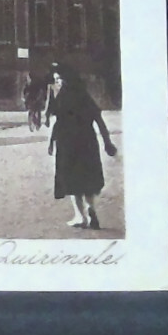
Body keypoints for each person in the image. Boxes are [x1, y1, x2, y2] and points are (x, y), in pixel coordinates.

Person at [47, 65, 118, 230]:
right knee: (87, 177)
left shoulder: (63, 97)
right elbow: (99, 120)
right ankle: (91, 209)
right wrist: (107, 142)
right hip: (87, 141)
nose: (57, 83)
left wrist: (51, 142)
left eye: (58, 79)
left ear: (65, 80)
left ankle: (80, 216)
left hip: (67, 143)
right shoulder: (84, 97)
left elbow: (58, 123)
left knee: (71, 179)